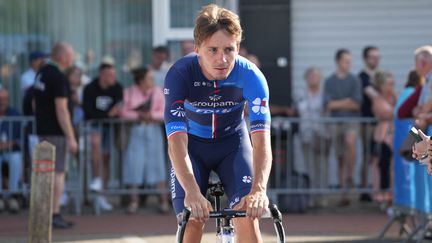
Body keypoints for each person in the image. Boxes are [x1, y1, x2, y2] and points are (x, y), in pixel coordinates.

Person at [165, 4, 272, 242]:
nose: (221, 59)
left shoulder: (251, 76)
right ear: (197, 49)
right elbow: (176, 142)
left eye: (229, 49)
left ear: (238, 48)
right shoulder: (181, 74)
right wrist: (192, 192)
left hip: (232, 145)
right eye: (212, 50)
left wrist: (259, 190)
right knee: (192, 219)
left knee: (247, 215)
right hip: (192, 148)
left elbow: (262, 140)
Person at [33, 42, 78, 228]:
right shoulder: (58, 77)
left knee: (45, 173)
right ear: (62, 57)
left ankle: (43, 214)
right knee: (58, 173)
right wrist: (71, 137)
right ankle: (54, 213)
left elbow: (35, 103)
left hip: (43, 130)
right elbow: (62, 109)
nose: (73, 58)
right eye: (71, 55)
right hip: (56, 133)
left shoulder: (41, 73)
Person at [120, 67, 169, 214]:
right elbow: (123, 111)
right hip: (136, 130)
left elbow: (164, 111)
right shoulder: (129, 92)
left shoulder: (157, 92)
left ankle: (163, 201)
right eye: (149, 78)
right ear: (141, 80)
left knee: (157, 165)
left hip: (153, 130)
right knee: (134, 165)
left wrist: (152, 116)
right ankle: (134, 202)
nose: (152, 81)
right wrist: (139, 116)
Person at [323, 48, 362, 206]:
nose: (349, 64)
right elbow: (328, 104)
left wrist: (339, 103)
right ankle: (342, 192)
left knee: (350, 142)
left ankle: (350, 176)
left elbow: (357, 104)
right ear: (338, 61)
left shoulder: (354, 80)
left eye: (350, 61)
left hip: (351, 121)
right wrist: (347, 102)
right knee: (339, 158)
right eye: (346, 61)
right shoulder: (329, 81)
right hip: (335, 122)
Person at [82, 62, 123, 211]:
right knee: (95, 143)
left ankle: (101, 195)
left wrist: (110, 115)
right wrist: (107, 114)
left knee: (106, 158)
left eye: (114, 74)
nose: (114, 77)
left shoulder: (117, 88)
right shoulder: (90, 88)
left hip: (109, 127)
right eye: (110, 75)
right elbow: (88, 111)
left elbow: (119, 108)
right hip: (94, 126)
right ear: (102, 75)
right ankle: (96, 179)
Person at [297, 67, 329, 207]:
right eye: (310, 76)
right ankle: (310, 197)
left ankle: (322, 197)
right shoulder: (300, 94)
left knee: (322, 166)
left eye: (316, 76)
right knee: (309, 167)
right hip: (306, 134)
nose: (313, 79)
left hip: (323, 134)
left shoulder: (325, 94)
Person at [358, 46, 380, 202]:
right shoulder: (363, 76)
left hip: (379, 123)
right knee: (367, 156)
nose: (376, 60)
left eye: (377, 57)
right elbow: (373, 95)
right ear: (365, 58)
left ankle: (375, 188)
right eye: (372, 57)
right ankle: (365, 190)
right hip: (367, 122)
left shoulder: (379, 76)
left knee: (377, 156)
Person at [370, 71, 396, 204]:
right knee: (382, 165)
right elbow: (386, 114)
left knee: (392, 164)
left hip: (394, 135)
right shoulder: (378, 99)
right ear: (381, 86)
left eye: (392, 84)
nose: (391, 87)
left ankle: (392, 194)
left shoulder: (395, 97)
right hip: (382, 136)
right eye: (388, 84)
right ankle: (381, 195)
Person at [0, 89, 22, 213]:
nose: (2, 102)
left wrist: (7, 144)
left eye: (4, 99)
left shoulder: (14, 114)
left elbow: (18, 137)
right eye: (0, 99)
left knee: (16, 159)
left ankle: (13, 195)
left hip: (11, 150)